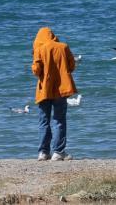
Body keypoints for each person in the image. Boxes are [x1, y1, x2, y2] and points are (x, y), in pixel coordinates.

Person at [31, 27, 77, 161]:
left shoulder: (39, 49)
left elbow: (36, 70)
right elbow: (72, 66)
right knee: (59, 120)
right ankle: (58, 152)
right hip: (61, 89)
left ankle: (43, 152)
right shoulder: (63, 47)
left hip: (44, 90)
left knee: (43, 121)